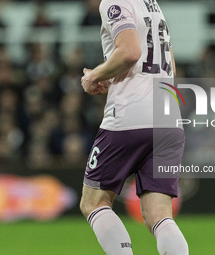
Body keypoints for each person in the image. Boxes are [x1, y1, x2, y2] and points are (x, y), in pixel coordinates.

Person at [79, 0, 189, 254]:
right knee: (158, 215)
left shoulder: (114, 2)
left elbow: (129, 52)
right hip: (168, 118)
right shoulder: (151, 4)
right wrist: (116, 79)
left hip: (130, 117)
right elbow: (169, 61)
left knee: (93, 202)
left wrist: (94, 75)